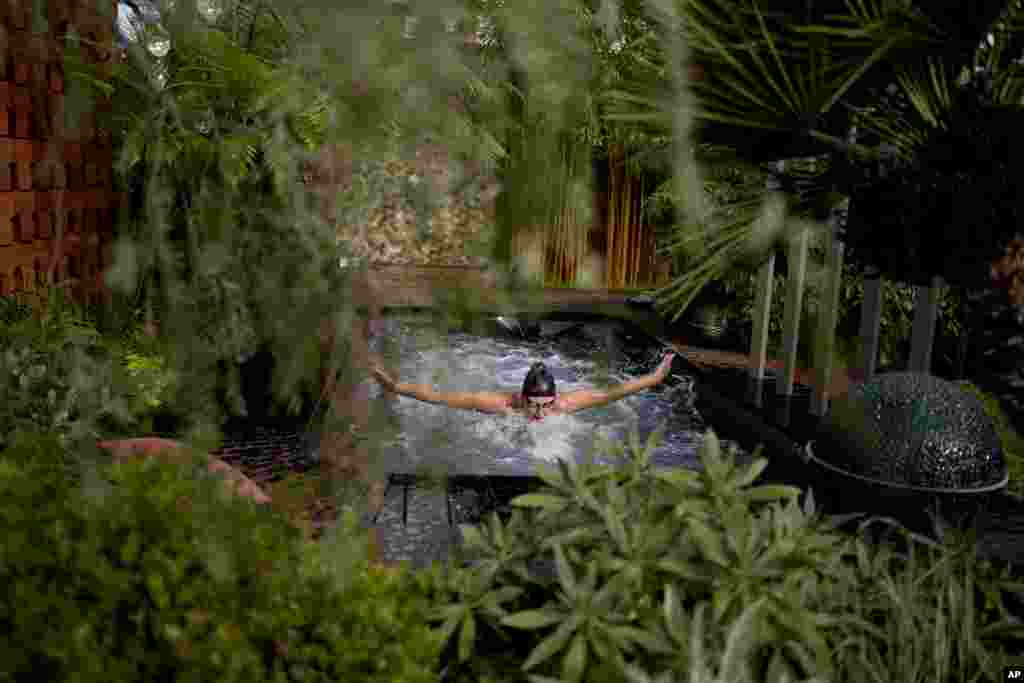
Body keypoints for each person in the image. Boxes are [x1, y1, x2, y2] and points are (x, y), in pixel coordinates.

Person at [371, 351, 677, 421]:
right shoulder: (500, 405)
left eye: (546, 406)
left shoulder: (565, 405)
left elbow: (613, 393)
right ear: (521, 397)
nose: (540, 415)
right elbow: (442, 397)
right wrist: (395, 387)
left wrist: (654, 378)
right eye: (533, 405)